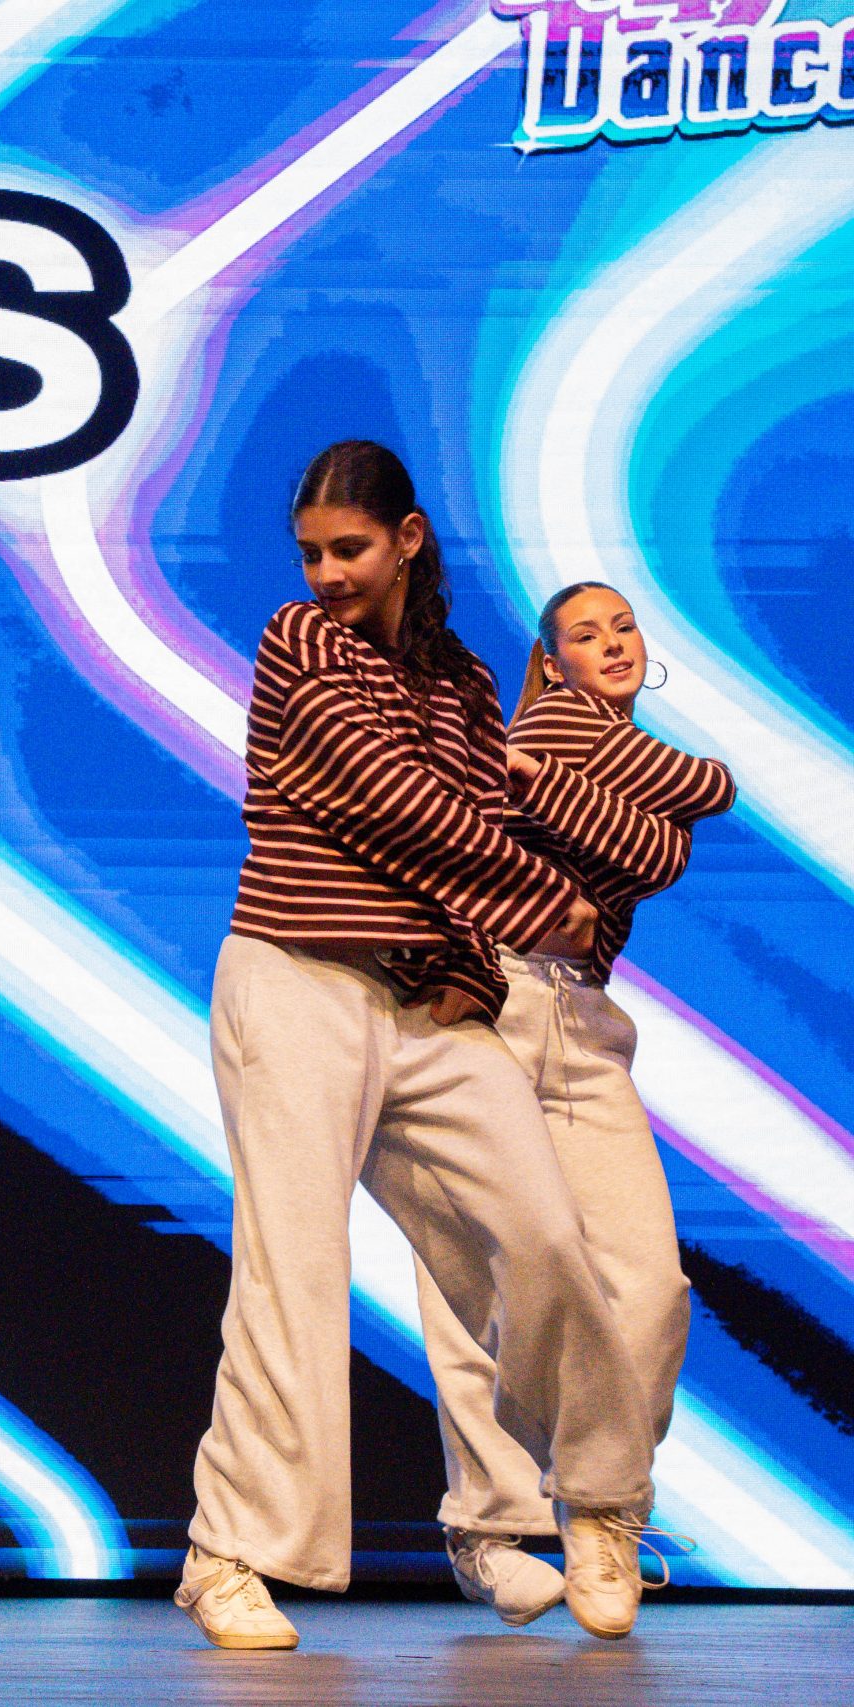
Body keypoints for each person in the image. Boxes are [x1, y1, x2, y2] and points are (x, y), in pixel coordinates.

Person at [178, 440, 661, 1649]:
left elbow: (471, 822)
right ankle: (228, 1555)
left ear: (407, 540)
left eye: (348, 549)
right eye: (310, 553)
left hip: (424, 1006)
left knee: (545, 1240)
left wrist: (467, 966)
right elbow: (386, 800)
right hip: (294, 981)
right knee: (290, 1270)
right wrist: (538, 898)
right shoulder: (300, 640)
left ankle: (597, 1502)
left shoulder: (464, 680)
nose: (326, 573)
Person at [417, 582, 733, 1626]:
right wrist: (571, 792)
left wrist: (551, 791)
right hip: (488, 1000)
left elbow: (685, 817)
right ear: (552, 663)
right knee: (489, 1286)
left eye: (625, 627)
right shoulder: (552, 721)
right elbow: (676, 814)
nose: (613, 644)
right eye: (587, 634)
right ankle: (490, 1526)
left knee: (647, 1285)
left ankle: (602, 1506)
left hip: (583, 1019)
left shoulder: (584, 752)